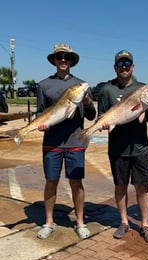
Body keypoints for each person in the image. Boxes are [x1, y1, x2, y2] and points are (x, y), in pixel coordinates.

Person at [36, 43, 96, 240]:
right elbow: (39, 113)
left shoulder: (82, 85)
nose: (63, 60)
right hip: (51, 142)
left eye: (67, 57)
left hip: (75, 141)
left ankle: (80, 222)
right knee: (51, 181)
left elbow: (91, 114)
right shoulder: (44, 85)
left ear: (72, 62)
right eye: (60, 57)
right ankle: (49, 222)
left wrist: (87, 103)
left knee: (76, 182)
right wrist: (41, 123)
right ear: (54, 60)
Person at [98, 50, 148, 243]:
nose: (124, 67)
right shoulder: (107, 90)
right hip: (117, 148)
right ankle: (123, 222)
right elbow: (101, 116)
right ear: (115, 67)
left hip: (140, 148)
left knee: (142, 187)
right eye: (120, 64)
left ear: (133, 67)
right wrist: (103, 124)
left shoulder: (143, 89)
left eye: (127, 64)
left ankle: (145, 224)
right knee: (120, 185)